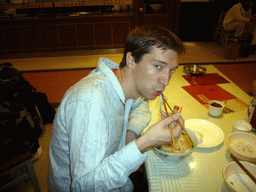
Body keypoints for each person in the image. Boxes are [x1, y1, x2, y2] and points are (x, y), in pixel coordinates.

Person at [49, 26, 185, 192]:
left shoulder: (124, 82)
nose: (166, 80)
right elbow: (83, 187)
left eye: (171, 70)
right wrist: (144, 142)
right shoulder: (90, 102)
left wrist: (131, 131)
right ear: (132, 60)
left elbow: (140, 104)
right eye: (158, 66)